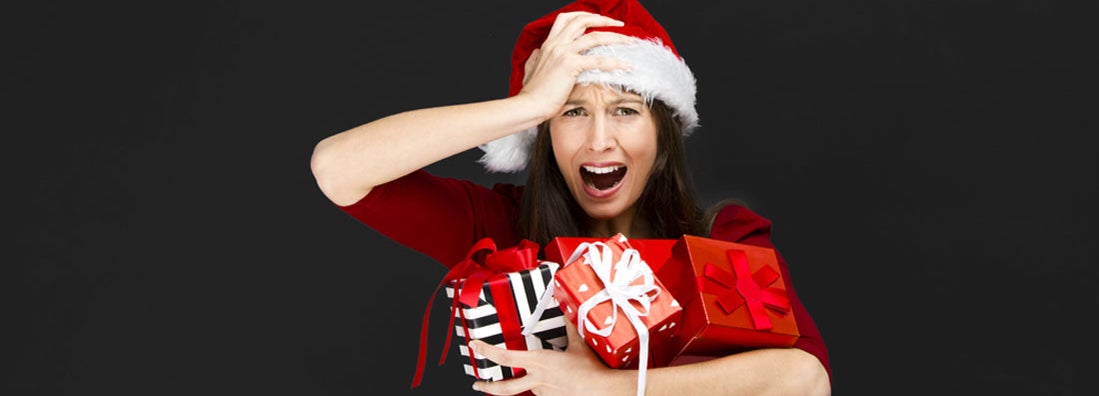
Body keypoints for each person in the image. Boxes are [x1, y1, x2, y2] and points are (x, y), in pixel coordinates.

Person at [310, 0, 831, 394]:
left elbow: (805, 378)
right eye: (572, 112)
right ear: (543, 132)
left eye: (626, 110)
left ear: (662, 133)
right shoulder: (500, 227)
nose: (599, 140)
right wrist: (525, 105)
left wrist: (611, 389)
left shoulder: (722, 236)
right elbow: (338, 168)